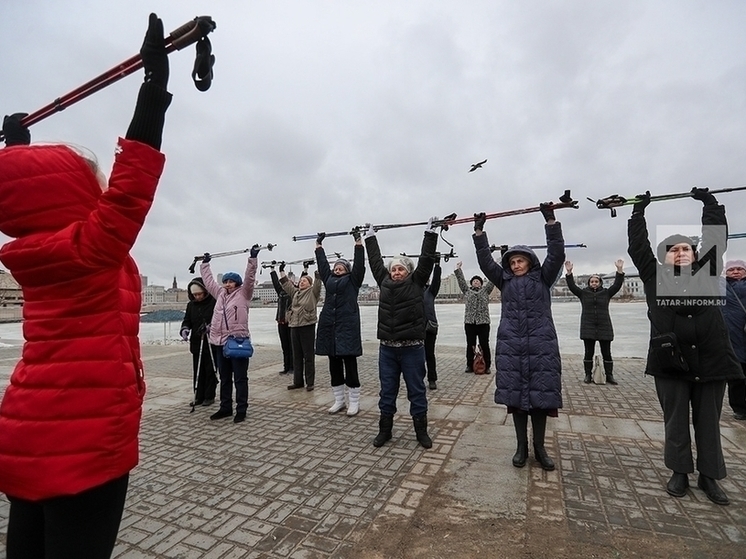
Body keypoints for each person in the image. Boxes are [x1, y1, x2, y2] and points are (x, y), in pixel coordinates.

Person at [0, 13, 171, 558]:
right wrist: (153, 92)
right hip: (85, 436)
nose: (101, 187)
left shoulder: (34, 255)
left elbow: (27, 195)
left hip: (28, 432)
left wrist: (14, 151)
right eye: (90, 180)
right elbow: (129, 190)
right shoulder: (89, 249)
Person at [627, 188, 743, 505]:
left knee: (708, 420)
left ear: (695, 255)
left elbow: (716, 238)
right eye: (672, 249)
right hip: (670, 361)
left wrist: (710, 204)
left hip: (711, 358)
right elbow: (638, 247)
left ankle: (710, 476)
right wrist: (638, 212)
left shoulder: (707, 271)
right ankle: (679, 471)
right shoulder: (653, 276)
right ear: (664, 256)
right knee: (676, 420)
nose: (680, 253)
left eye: (686, 249)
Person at [473, 205, 564, 471]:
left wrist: (550, 221)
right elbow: (485, 262)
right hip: (512, 345)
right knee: (517, 401)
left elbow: (556, 253)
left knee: (539, 399)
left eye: (520, 261)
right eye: (512, 262)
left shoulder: (543, 278)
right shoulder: (504, 280)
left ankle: (540, 448)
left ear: (530, 262)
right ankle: (521, 447)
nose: (515, 265)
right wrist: (480, 233)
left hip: (540, 345)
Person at [365, 217, 438, 449]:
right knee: (387, 392)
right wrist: (370, 237)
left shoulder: (417, 282)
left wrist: (430, 234)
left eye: (401, 269)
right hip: (387, 349)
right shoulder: (383, 282)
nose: (396, 272)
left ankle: (421, 432)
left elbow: (426, 260)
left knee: (416, 391)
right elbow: (375, 261)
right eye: (394, 269)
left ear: (408, 272)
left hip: (413, 349)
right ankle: (384, 431)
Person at [200, 247, 259, 424]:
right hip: (219, 343)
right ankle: (225, 407)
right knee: (225, 378)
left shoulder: (244, 294)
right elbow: (209, 281)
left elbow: (250, 278)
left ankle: (241, 409)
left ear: (237, 284)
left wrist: (252, 259)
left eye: (231, 281)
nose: (227, 284)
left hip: (237, 342)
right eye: (225, 281)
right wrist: (205, 264)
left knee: (240, 378)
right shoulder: (219, 294)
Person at [315, 233, 366, 415]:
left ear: (347, 270)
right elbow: (322, 266)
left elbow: (360, 265)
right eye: (335, 268)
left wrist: (358, 243)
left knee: (350, 364)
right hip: (329, 326)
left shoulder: (353, 281)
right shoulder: (328, 281)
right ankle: (339, 401)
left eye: (341, 268)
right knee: (334, 365)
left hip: (347, 327)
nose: (337, 269)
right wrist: (319, 245)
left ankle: (354, 402)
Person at [564, 259, 625, 385]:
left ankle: (609, 375)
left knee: (607, 353)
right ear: (589, 283)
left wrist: (619, 270)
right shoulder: (583, 293)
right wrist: (569, 273)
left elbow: (617, 285)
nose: (594, 283)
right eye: (592, 281)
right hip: (588, 326)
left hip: (604, 326)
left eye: (596, 281)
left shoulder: (606, 293)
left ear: (600, 283)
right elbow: (572, 287)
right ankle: (587, 375)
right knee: (588, 353)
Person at [281, 263, 322, 391]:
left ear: (309, 284)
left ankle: (310, 382)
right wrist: (281, 271)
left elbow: (318, 283)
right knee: (297, 355)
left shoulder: (313, 293)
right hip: (294, 325)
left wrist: (318, 272)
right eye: (300, 281)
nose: (301, 282)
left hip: (307, 326)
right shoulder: (295, 293)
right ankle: (298, 382)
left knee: (308, 355)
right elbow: (286, 285)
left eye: (304, 281)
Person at [180, 277, 218, 406]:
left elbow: (218, 319)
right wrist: (185, 329)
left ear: (205, 291)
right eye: (195, 295)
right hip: (197, 342)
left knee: (210, 370)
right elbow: (187, 320)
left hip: (210, 342)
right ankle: (198, 395)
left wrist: (210, 326)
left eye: (199, 294)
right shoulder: (191, 305)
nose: (198, 297)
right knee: (198, 370)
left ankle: (209, 395)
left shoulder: (213, 302)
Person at [454, 261, 495, 374]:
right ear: (471, 283)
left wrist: (495, 266)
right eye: (474, 281)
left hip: (483, 323)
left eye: (478, 281)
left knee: (484, 344)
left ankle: (487, 366)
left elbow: (492, 281)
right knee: (470, 344)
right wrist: (458, 269)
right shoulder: (467, 291)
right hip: (470, 323)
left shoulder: (485, 291)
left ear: (481, 284)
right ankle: (469, 365)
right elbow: (461, 281)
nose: (476, 282)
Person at [723, 259, 746, 420]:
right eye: (732, 270)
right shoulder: (720, 288)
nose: (736, 272)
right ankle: (739, 408)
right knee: (736, 378)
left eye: (740, 269)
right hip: (731, 340)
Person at [270, 261, 294, 376]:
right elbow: (275, 283)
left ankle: (292, 367)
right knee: (285, 346)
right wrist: (272, 269)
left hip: (291, 322)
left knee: (292, 346)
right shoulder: (280, 292)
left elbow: (304, 279)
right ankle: (286, 367)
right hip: (281, 322)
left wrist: (305, 269)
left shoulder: (295, 293)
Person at [423, 256, 442, 390]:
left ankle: (432, 379)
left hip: (430, 327)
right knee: (417, 356)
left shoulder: (431, 291)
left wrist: (437, 264)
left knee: (429, 354)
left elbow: (436, 280)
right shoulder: (413, 290)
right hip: (415, 327)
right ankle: (417, 378)